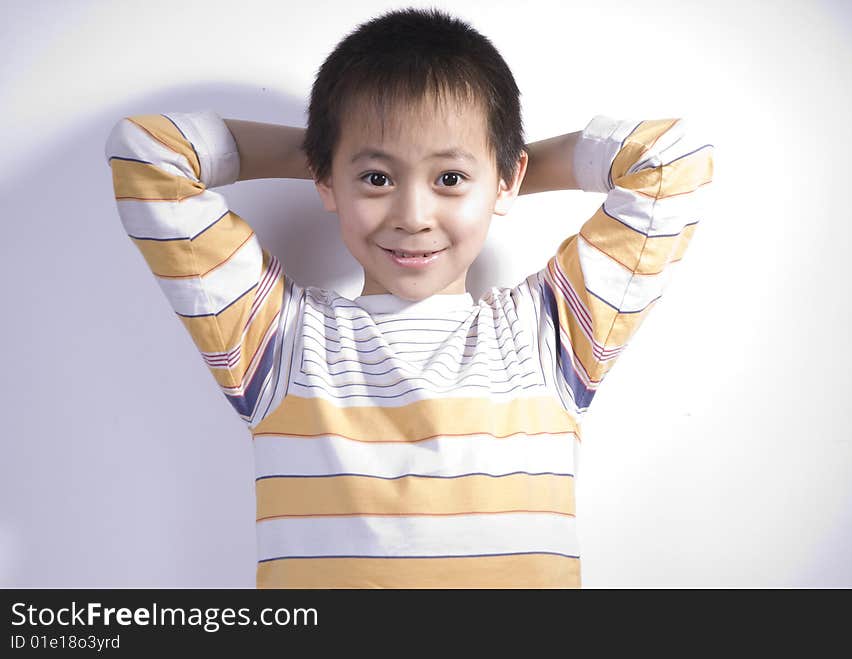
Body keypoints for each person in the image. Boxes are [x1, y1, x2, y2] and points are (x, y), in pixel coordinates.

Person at [103, 7, 714, 588]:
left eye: (449, 179)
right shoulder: (276, 339)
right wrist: (331, 152)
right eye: (377, 178)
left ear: (507, 180)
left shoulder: (550, 335)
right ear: (327, 179)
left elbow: (668, 160)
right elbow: (150, 154)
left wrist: (496, 171)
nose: (413, 215)